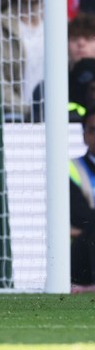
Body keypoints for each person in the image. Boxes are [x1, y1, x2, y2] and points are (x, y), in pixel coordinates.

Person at [71, 108, 95, 290]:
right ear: (84, 135)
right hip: (85, 243)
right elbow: (80, 215)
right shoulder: (71, 168)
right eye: (93, 130)